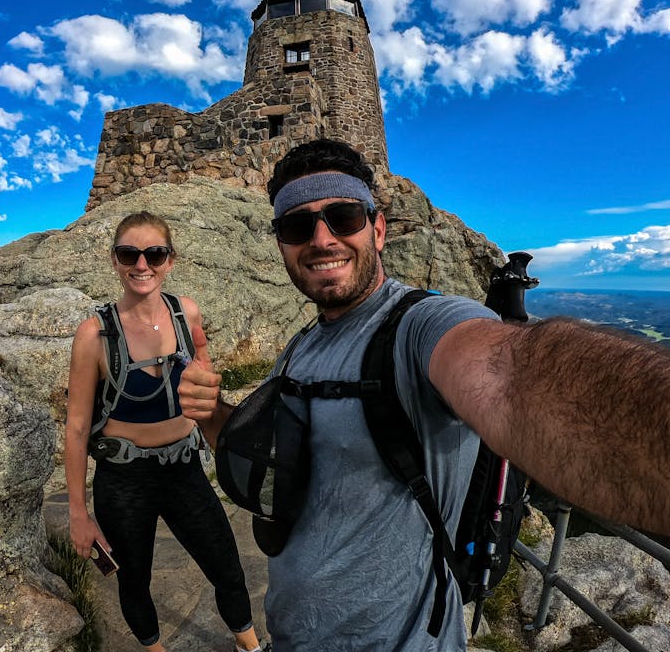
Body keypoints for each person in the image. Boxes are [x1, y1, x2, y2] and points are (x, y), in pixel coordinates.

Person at [178, 139, 670, 652]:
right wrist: (210, 412)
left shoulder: (420, 327)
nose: (321, 240)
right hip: (292, 631)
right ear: (280, 242)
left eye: (343, 217)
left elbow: (512, 374)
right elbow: (272, 464)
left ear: (379, 229)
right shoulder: (301, 347)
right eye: (297, 226)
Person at [65, 211, 266, 652]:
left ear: (170, 260)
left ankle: (249, 645)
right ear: (114, 261)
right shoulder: (94, 335)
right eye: (129, 254)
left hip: (184, 468)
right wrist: (78, 515)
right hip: (123, 481)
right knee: (134, 580)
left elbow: (202, 389)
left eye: (155, 254)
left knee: (228, 567)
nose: (142, 265)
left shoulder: (186, 314)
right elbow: (77, 427)